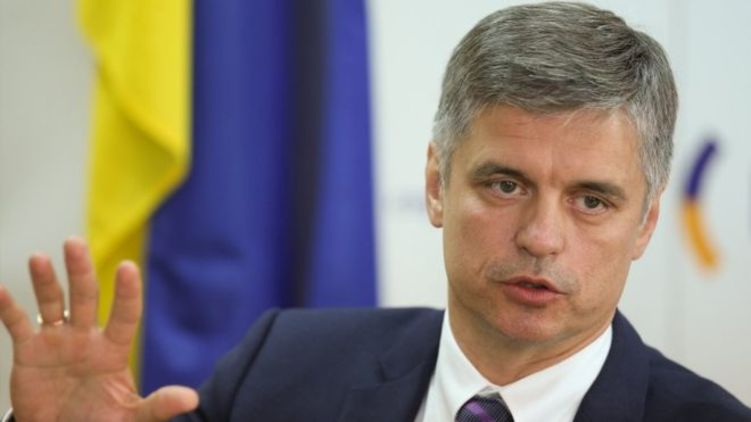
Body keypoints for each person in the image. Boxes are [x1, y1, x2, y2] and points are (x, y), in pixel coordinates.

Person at [1, 2, 750, 421]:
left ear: (646, 222)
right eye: (504, 185)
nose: (541, 237)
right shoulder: (280, 370)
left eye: (591, 201)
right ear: (436, 184)